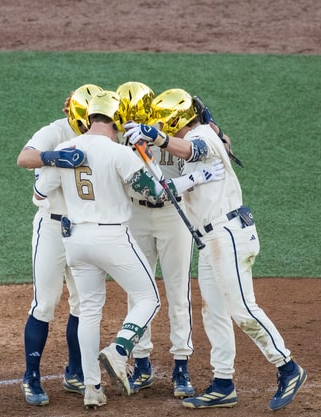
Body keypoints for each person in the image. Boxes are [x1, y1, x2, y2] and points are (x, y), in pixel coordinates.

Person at [34, 90, 224, 408]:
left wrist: (60, 167)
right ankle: (120, 350)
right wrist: (197, 177)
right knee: (149, 298)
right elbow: (156, 190)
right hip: (112, 237)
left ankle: (92, 387)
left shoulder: (64, 148)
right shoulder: (117, 152)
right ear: (116, 119)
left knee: (90, 312)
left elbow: (40, 191)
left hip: (75, 241)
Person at [124, 88, 307, 410]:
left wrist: (157, 138)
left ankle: (287, 367)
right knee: (215, 312)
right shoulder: (203, 137)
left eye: (164, 124)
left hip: (228, 235)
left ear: (175, 120)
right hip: (210, 240)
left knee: (243, 309)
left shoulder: (202, 136)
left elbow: (192, 150)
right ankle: (223, 383)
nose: (162, 129)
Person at [15, 84, 102, 405]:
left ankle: (75, 372)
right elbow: (24, 158)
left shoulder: (105, 134)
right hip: (52, 227)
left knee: (83, 303)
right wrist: (53, 158)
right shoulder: (55, 131)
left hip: (84, 230)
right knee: (45, 303)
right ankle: (31, 377)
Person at [116, 81, 196, 398]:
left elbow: (217, 147)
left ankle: (181, 368)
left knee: (178, 291)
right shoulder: (122, 135)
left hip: (174, 215)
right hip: (136, 215)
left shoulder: (172, 131)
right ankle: (142, 364)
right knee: (138, 290)